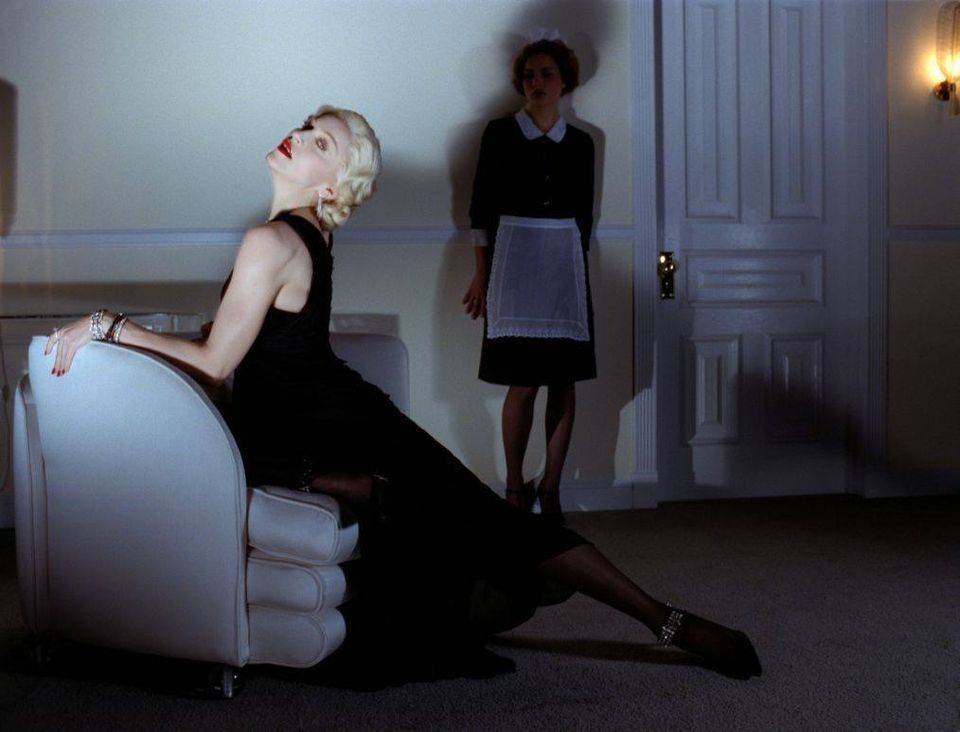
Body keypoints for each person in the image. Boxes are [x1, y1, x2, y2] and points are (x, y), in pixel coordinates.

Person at [46, 104, 761, 680]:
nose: (299, 136)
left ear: (333, 187)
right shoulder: (308, 234)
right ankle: (592, 599)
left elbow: (214, 361)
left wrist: (109, 324)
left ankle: (662, 619)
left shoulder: (273, 240)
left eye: (322, 142)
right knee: (478, 519)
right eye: (307, 127)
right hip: (325, 419)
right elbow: (253, 346)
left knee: (488, 520)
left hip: (331, 420)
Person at [464, 37, 596, 518]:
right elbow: (480, 210)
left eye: (546, 74)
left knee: (563, 382)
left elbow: (584, 221)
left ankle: (552, 489)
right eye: (529, 75)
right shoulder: (499, 134)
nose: (536, 82)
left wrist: (576, 284)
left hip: (564, 273)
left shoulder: (582, 143)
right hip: (513, 270)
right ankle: (516, 488)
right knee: (522, 383)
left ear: (565, 81)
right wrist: (481, 276)